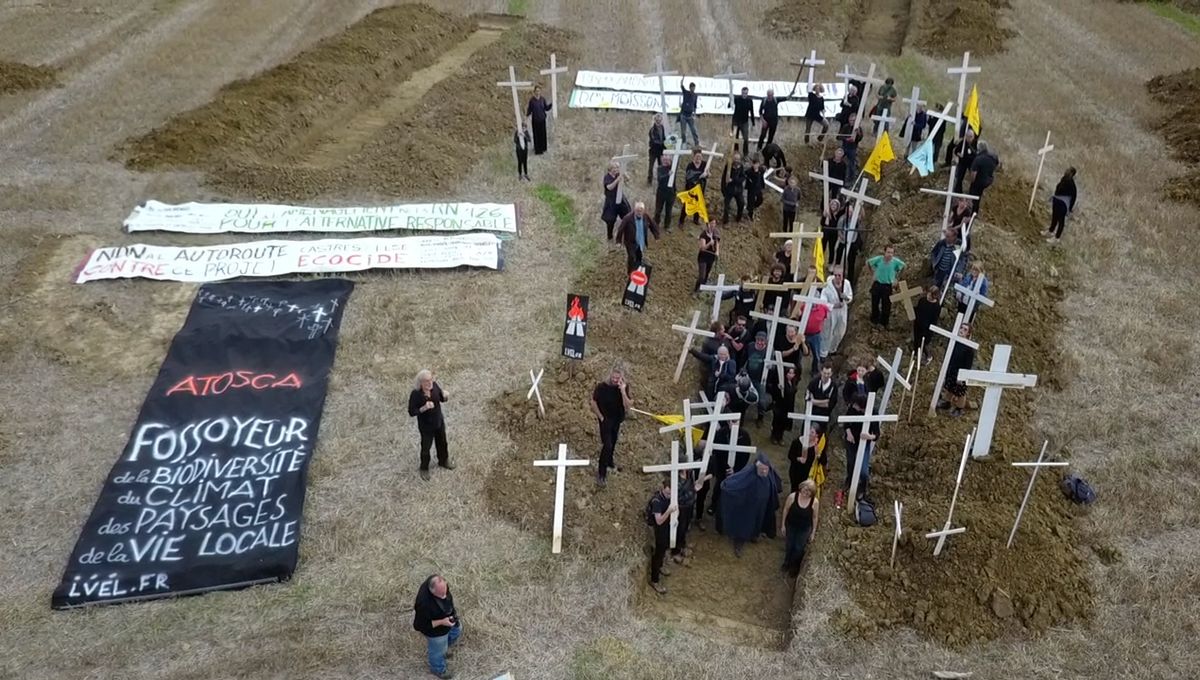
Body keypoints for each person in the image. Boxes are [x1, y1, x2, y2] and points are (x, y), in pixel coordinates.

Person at [720, 453, 783, 556]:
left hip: (762, 505)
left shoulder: (770, 472)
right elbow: (737, 482)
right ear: (756, 466)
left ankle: (755, 535)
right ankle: (739, 541)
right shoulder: (749, 473)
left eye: (765, 469)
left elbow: (775, 484)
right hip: (748, 505)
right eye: (761, 469)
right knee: (745, 523)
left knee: (759, 520)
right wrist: (727, 484)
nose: (763, 471)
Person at [591, 365, 633, 486]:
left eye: (617, 378)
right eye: (613, 377)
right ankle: (601, 473)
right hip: (605, 420)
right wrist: (601, 417)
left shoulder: (624, 388)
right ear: (610, 375)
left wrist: (623, 391)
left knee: (613, 441)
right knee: (607, 445)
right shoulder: (601, 387)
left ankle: (609, 461)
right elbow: (593, 402)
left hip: (617, 419)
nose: (615, 380)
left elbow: (628, 405)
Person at [413, 574, 461, 679]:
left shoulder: (441, 586)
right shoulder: (423, 603)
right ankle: (438, 670)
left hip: (448, 618)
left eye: (445, 591)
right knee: (437, 651)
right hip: (435, 632)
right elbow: (419, 626)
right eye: (441, 594)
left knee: (457, 631)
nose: (444, 596)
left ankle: (444, 649)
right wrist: (442, 622)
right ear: (432, 592)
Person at [408, 369, 453, 481]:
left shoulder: (435, 386)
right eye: (426, 381)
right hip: (426, 427)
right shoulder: (416, 394)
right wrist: (424, 408)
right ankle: (424, 468)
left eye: (431, 379)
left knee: (442, 442)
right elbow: (412, 412)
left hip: (438, 422)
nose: (430, 383)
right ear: (421, 383)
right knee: (426, 448)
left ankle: (443, 461)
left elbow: (441, 399)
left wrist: (445, 396)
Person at [840, 393, 877, 507]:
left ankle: (861, 489)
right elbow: (846, 423)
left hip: (864, 443)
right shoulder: (852, 408)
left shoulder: (873, 412)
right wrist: (848, 432)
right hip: (851, 441)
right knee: (851, 463)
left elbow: (876, 434)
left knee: (864, 471)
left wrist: (869, 437)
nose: (853, 406)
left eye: (856, 405)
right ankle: (849, 480)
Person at [671, 464, 711, 567]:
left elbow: (692, 485)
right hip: (682, 507)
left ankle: (682, 546)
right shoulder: (677, 480)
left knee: (685, 527)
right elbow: (679, 496)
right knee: (680, 528)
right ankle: (676, 551)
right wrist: (693, 489)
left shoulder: (688, 474)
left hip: (689, 505)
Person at [781, 479, 819, 578]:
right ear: (801, 488)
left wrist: (813, 532)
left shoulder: (814, 502)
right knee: (789, 545)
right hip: (791, 525)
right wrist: (783, 525)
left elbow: (815, 517)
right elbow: (786, 509)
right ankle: (786, 562)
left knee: (798, 548)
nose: (805, 493)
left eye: (808, 492)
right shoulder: (792, 497)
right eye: (804, 490)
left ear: (812, 493)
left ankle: (794, 566)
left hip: (804, 529)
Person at [647, 477, 677, 595]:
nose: (669, 495)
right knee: (658, 554)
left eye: (671, 493)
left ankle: (660, 566)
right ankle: (654, 580)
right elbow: (658, 520)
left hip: (664, 528)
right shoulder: (657, 502)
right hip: (656, 529)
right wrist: (669, 511)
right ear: (662, 489)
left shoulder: (669, 497)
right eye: (667, 493)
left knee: (664, 547)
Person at [938, 323, 975, 417]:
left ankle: (959, 408)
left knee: (960, 392)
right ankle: (947, 402)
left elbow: (968, 364)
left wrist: (962, 377)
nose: (962, 330)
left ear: (968, 333)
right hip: (952, 369)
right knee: (949, 387)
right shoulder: (954, 342)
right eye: (961, 328)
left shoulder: (968, 348)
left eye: (965, 329)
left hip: (960, 372)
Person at [614, 201, 661, 274]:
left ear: (643, 211)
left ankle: (637, 269)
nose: (639, 212)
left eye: (641, 211)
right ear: (634, 210)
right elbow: (621, 229)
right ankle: (630, 273)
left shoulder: (646, 217)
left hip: (641, 242)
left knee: (639, 256)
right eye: (637, 211)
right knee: (632, 258)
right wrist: (618, 241)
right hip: (631, 243)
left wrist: (656, 236)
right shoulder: (628, 218)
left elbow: (653, 225)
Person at [867, 245, 906, 328]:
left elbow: (904, 266)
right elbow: (868, 263)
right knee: (875, 303)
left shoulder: (895, 262)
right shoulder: (879, 259)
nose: (890, 255)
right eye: (888, 252)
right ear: (884, 252)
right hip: (877, 284)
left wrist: (897, 279)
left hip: (887, 286)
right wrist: (872, 274)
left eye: (892, 253)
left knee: (886, 305)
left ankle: (884, 322)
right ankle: (874, 319)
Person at [820, 265, 852, 360]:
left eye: (840, 275)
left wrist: (845, 298)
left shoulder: (846, 284)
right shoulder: (827, 286)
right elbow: (823, 301)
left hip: (842, 311)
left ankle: (832, 349)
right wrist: (833, 305)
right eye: (836, 275)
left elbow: (850, 296)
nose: (838, 277)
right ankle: (823, 352)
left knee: (840, 331)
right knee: (827, 332)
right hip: (831, 312)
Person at [757, 84, 797, 150]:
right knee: (762, 136)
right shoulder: (764, 101)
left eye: (771, 95)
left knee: (771, 136)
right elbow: (760, 112)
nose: (769, 96)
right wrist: (763, 121)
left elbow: (786, 98)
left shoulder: (776, 100)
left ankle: (767, 150)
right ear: (767, 94)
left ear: (773, 94)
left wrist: (791, 94)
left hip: (774, 121)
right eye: (768, 95)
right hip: (766, 121)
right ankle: (758, 149)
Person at [768, 365, 800, 445]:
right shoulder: (781, 382)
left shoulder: (793, 383)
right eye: (789, 373)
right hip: (780, 405)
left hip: (788, 406)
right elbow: (775, 393)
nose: (790, 375)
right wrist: (778, 389)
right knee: (777, 421)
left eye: (792, 373)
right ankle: (774, 436)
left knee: (784, 422)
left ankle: (780, 437)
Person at [679, 148, 709, 227]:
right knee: (687, 204)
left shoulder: (704, 164)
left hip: (700, 188)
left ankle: (696, 219)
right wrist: (699, 176)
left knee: (698, 204)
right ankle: (681, 221)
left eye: (700, 157)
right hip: (691, 189)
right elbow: (689, 177)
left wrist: (707, 174)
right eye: (697, 157)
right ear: (694, 157)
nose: (698, 158)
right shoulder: (690, 165)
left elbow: (708, 175)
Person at [1047, 167, 1078, 243]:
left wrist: (1070, 208)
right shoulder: (1063, 179)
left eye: (1068, 171)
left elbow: (1074, 197)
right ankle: (1050, 231)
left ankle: (1057, 238)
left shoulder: (1072, 184)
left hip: (1063, 204)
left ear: (1071, 174)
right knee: (1054, 217)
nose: (1065, 171)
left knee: (1061, 220)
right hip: (1057, 200)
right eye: (1066, 170)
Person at [601, 161, 630, 242]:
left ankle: (627, 235)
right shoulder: (607, 177)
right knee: (610, 220)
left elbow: (628, 179)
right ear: (610, 169)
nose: (616, 169)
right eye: (614, 167)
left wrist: (624, 174)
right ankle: (610, 237)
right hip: (611, 201)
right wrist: (617, 180)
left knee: (627, 216)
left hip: (620, 198)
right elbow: (609, 187)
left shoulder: (618, 174)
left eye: (617, 167)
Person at [967, 140, 1000, 211]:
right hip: (988, 180)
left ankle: (972, 212)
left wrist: (972, 181)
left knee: (973, 196)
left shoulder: (978, 159)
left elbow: (973, 174)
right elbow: (997, 166)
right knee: (979, 195)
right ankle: (975, 211)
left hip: (979, 181)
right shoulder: (993, 157)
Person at [806, 362, 839, 432]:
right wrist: (824, 401)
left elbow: (830, 404)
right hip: (811, 413)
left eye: (828, 373)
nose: (826, 375)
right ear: (821, 372)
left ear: (831, 373)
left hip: (824, 416)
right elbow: (807, 397)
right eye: (824, 373)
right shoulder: (814, 382)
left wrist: (814, 401)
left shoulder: (834, 386)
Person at [800, 298, 828, 375]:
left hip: (816, 334)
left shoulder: (823, 308)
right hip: (804, 333)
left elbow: (825, 318)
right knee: (800, 352)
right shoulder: (803, 306)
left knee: (816, 355)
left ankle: (814, 371)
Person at [913, 285, 941, 360]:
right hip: (918, 324)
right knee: (916, 340)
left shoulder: (936, 306)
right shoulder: (922, 300)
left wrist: (927, 327)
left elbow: (934, 319)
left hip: (926, 328)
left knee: (923, 343)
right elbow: (918, 310)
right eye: (928, 293)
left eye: (930, 294)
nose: (928, 296)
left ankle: (927, 356)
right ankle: (915, 354)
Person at [525, 84, 552, 155]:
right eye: (536, 91)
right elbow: (529, 110)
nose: (537, 92)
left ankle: (543, 148)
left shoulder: (542, 99)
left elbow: (546, 108)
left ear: (540, 92)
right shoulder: (532, 101)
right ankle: (538, 150)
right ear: (534, 92)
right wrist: (526, 118)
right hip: (535, 120)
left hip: (542, 120)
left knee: (543, 134)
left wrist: (551, 105)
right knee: (536, 135)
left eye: (539, 91)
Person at [695, 219, 720, 291]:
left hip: (711, 257)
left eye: (714, 224)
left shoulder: (716, 233)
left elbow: (717, 243)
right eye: (711, 223)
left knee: (706, 274)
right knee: (702, 275)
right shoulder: (703, 234)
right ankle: (696, 289)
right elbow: (702, 248)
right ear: (708, 224)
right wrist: (709, 244)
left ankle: (702, 288)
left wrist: (717, 251)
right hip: (703, 257)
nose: (713, 225)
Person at [839, 115, 865, 185]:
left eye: (853, 121)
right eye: (851, 120)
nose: (852, 122)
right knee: (838, 159)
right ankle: (839, 175)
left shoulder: (858, 128)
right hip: (844, 147)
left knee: (851, 164)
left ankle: (851, 179)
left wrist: (858, 133)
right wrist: (846, 139)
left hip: (852, 149)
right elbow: (839, 136)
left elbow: (860, 138)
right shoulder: (845, 127)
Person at [721, 153, 746, 223]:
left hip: (738, 190)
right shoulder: (728, 166)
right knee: (726, 206)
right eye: (735, 159)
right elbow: (723, 178)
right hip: (729, 190)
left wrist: (733, 180)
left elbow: (743, 178)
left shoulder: (741, 167)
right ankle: (725, 221)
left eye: (738, 159)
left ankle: (738, 219)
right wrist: (723, 190)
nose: (736, 160)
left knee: (741, 203)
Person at [731, 86, 756, 156]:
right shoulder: (737, 99)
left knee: (746, 138)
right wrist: (731, 99)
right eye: (743, 93)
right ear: (741, 93)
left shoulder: (749, 101)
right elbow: (730, 105)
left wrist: (753, 122)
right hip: (736, 121)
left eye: (746, 93)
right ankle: (736, 151)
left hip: (744, 122)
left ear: (747, 93)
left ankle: (745, 153)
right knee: (735, 137)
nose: (744, 94)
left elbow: (752, 112)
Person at [653, 155, 675, 227]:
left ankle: (667, 225)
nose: (666, 161)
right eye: (664, 160)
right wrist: (667, 175)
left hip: (670, 193)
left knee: (668, 211)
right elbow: (660, 179)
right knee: (658, 210)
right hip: (661, 192)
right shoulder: (660, 168)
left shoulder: (673, 168)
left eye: (667, 160)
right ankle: (656, 223)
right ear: (662, 160)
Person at [678, 78, 700, 146]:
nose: (693, 89)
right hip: (684, 115)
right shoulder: (686, 92)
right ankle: (684, 143)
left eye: (694, 88)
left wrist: (694, 114)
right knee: (683, 131)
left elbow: (695, 105)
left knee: (694, 130)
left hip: (690, 115)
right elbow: (682, 87)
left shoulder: (695, 95)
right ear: (690, 88)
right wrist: (682, 81)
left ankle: (697, 143)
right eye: (692, 88)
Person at [647, 113, 666, 184]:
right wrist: (662, 143)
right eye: (657, 120)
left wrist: (666, 144)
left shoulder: (662, 127)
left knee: (661, 166)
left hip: (660, 151)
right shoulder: (652, 130)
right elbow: (653, 140)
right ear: (655, 120)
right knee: (651, 166)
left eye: (660, 120)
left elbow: (663, 137)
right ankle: (649, 180)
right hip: (653, 151)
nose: (658, 121)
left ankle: (660, 180)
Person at [745, 156, 765, 220]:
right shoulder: (749, 171)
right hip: (751, 189)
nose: (755, 166)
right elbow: (745, 174)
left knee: (760, 199)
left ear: (759, 164)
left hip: (758, 188)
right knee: (750, 201)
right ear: (752, 164)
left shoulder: (761, 170)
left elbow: (763, 173)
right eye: (754, 164)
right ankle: (750, 214)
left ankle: (754, 206)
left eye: (757, 164)